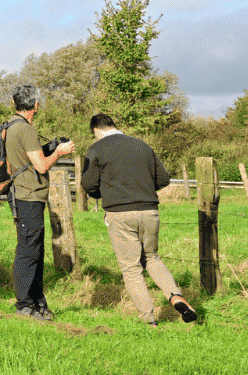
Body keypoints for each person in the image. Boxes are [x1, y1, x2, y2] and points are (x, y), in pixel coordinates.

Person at [81, 113, 199, 325]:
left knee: (131, 268)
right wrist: (141, 188)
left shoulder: (96, 149)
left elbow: (88, 185)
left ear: (96, 130)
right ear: (114, 125)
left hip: (120, 213)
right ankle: (175, 296)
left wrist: (105, 194)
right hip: (149, 211)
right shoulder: (142, 146)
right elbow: (163, 178)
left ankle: (148, 320)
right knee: (152, 257)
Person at [3, 84, 76, 320]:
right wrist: (60, 153)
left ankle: (36, 302)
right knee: (28, 251)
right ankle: (24, 304)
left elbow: (30, 157)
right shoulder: (26, 130)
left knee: (33, 250)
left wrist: (49, 147)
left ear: (15, 104)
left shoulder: (11, 126)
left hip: (24, 194)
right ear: (36, 105)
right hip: (28, 196)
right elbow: (42, 165)